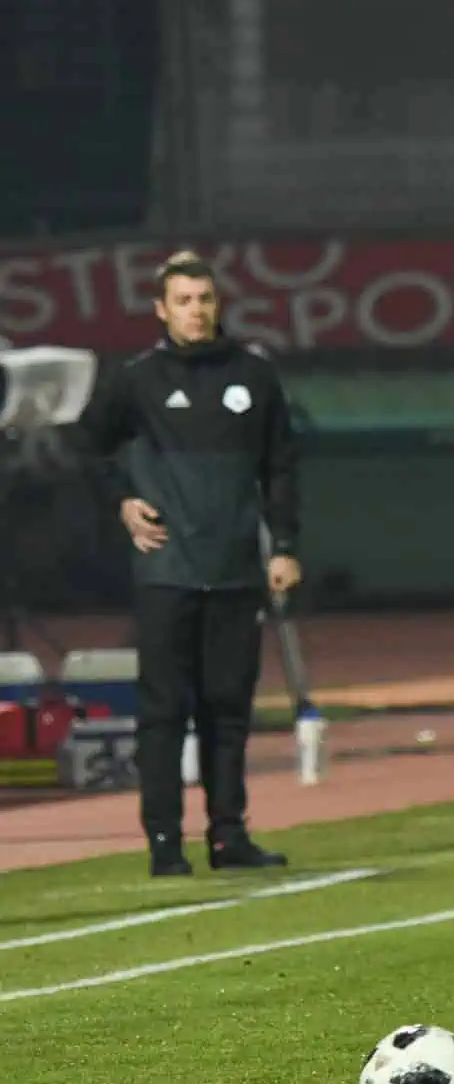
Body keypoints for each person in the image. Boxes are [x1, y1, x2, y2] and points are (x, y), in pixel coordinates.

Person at [78, 251, 299, 877]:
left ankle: (229, 837)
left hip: (235, 569)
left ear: (217, 303)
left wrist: (283, 545)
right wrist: (122, 501)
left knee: (228, 710)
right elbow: (87, 445)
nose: (195, 310)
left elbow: (280, 466)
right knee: (164, 712)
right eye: (183, 300)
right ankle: (164, 845)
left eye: (204, 298)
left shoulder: (254, 375)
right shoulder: (137, 379)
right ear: (161, 309)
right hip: (165, 571)